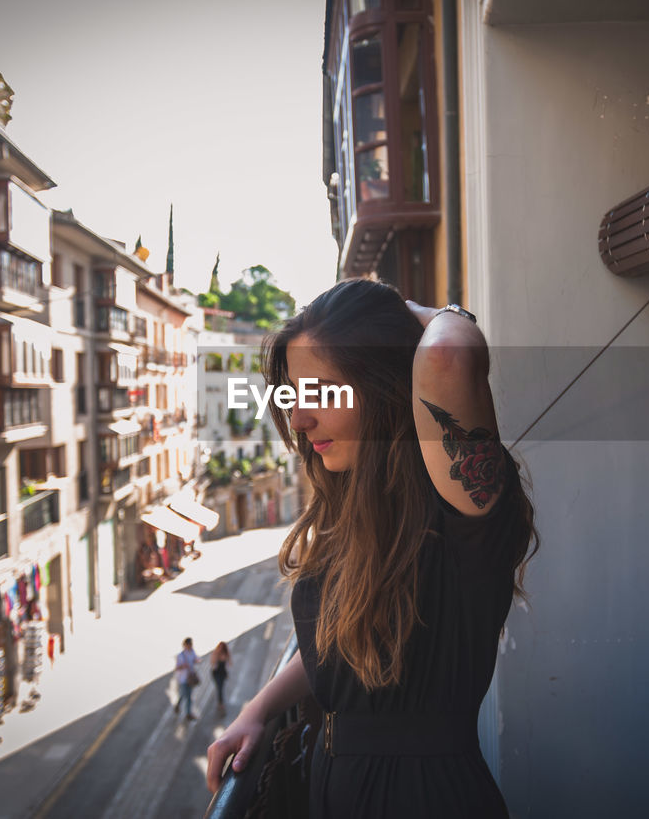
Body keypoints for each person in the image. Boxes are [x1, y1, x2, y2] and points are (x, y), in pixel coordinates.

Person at [205, 279, 538, 818]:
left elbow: (451, 353)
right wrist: (258, 708)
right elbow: (335, 647)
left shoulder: (460, 509)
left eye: (321, 393)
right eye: (293, 394)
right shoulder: (361, 512)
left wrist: (422, 313)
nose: (298, 419)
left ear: (383, 386)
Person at [175, 637, 201, 721]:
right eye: (188, 644)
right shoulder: (180, 655)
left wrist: (197, 661)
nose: (190, 646)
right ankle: (182, 707)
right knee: (184, 695)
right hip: (182, 678)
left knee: (188, 695)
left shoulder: (192, 652)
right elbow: (177, 667)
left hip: (190, 678)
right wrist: (183, 666)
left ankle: (187, 712)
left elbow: (196, 659)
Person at [210, 641, 232, 716]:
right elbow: (212, 663)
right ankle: (221, 703)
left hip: (223, 673)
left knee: (221, 688)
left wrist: (226, 658)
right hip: (216, 673)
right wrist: (217, 655)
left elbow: (230, 663)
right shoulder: (215, 653)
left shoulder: (226, 654)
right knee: (219, 688)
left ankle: (220, 703)